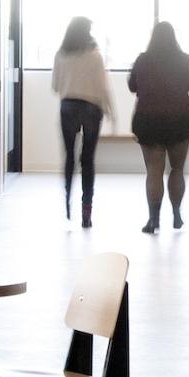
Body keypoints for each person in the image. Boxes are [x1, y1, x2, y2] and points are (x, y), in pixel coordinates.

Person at [129, 21, 189, 234]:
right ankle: (176, 213)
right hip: (179, 120)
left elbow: (132, 86)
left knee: (154, 170)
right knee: (177, 169)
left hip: (148, 120)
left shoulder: (143, 60)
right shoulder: (185, 59)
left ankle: (154, 219)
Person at [52, 16, 114, 228]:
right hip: (91, 109)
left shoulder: (60, 55)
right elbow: (103, 87)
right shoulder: (95, 56)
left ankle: (67, 203)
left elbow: (55, 86)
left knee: (70, 156)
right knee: (87, 159)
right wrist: (110, 112)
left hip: (68, 107)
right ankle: (86, 211)